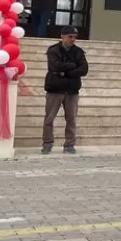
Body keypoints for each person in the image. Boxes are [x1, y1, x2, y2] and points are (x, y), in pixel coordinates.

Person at [42, 26, 88, 154]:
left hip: (72, 91)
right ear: (62, 36)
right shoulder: (53, 50)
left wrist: (65, 72)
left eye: (74, 37)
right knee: (49, 118)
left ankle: (69, 144)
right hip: (55, 89)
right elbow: (54, 66)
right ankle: (47, 143)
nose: (72, 39)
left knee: (72, 119)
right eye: (70, 36)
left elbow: (84, 70)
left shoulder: (78, 52)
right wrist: (73, 66)